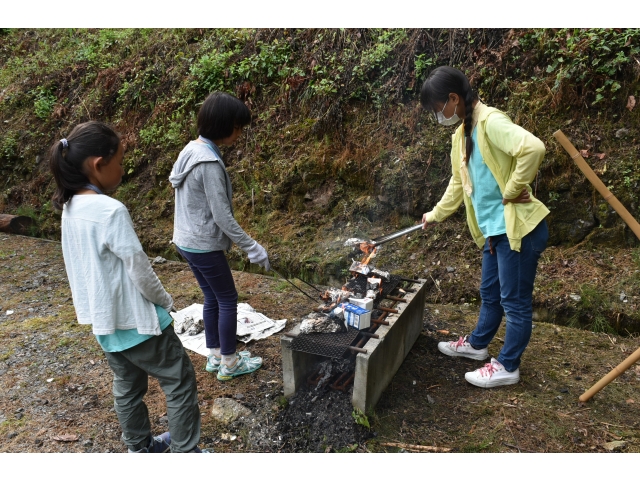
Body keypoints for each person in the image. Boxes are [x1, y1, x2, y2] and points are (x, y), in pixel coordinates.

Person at [49, 121, 204, 452]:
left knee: (127, 386)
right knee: (178, 380)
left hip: (105, 321)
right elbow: (139, 267)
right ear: (97, 164)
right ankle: (186, 455)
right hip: (138, 321)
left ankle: (139, 448)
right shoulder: (110, 210)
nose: (123, 169)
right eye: (119, 161)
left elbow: (78, 264)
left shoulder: (70, 207)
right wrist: (165, 301)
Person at [419, 66, 549, 388]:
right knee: (489, 294)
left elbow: (533, 148)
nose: (440, 117)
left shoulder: (491, 122)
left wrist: (511, 189)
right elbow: (458, 183)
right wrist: (434, 214)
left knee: (515, 302)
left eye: (439, 110)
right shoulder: (461, 133)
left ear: (453, 99)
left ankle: (507, 366)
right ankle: (478, 346)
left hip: (519, 230)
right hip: (494, 231)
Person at [170, 92, 267, 381]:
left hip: (185, 240)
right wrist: (252, 247)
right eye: (238, 126)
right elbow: (223, 216)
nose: (240, 132)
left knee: (211, 296)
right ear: (225, 125)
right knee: (227, 299)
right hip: (202, 244)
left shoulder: (191, 148)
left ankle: (215, 354)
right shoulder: (209, 164)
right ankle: (230, 363)